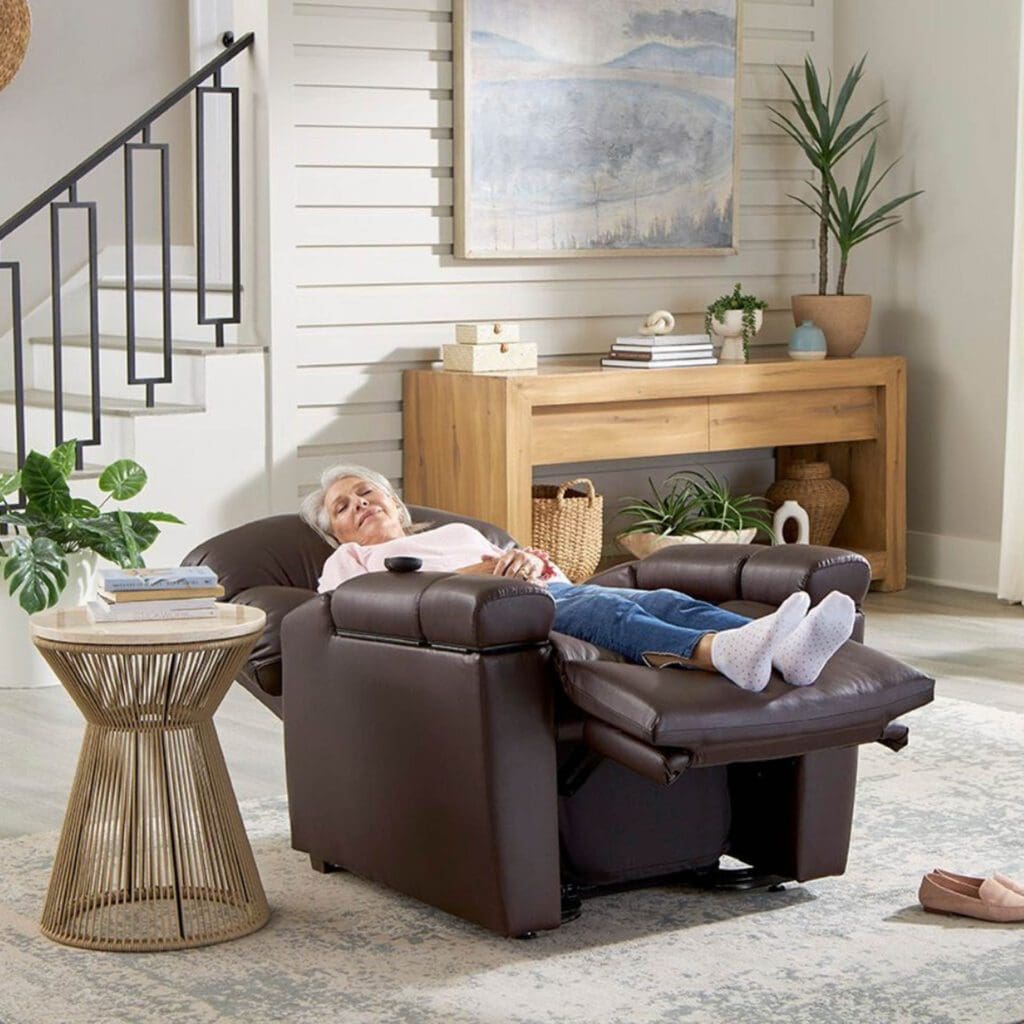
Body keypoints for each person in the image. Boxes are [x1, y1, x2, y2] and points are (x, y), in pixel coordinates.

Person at [300, 464, 856, 693]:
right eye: (344, 508)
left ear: (392, 500)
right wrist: (488, 574)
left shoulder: (458, 531)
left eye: (366, 493)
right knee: (608, 614)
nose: (360, 505)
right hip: (490, 617)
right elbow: (354, 605)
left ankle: (787, 649)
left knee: (661, 596)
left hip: (542, 590)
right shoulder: (351, 562)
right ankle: (718, 653)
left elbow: (538, 567)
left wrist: (529, 561)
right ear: (339, 535)